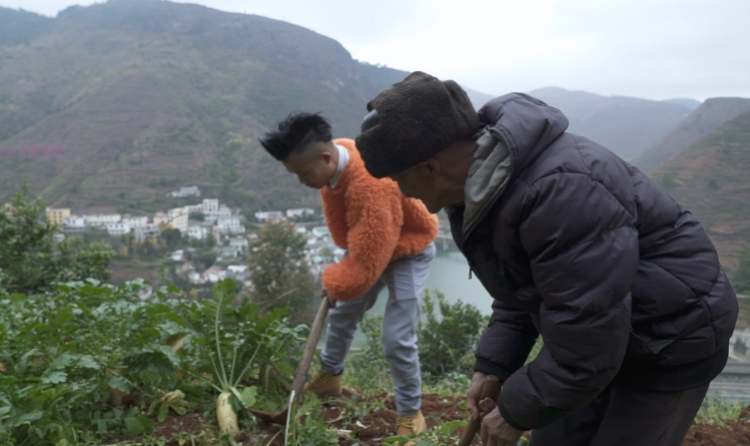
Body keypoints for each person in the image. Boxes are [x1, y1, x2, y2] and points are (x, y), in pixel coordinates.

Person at [355, 71, 739, 446]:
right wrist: (494, 364)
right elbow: (521, 288)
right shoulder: (482, 188)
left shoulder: (561, 192)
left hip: (670, 337)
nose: (402, 193)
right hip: (598, 339)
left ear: (430, 169)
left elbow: (590, 332)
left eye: (397, 180)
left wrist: (514, 412)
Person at [259, 112, 439, 441]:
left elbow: (369, 263)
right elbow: (359, 244)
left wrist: (336, 281)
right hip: (372, 243)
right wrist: (341, 285)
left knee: (397, 338)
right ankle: (329, 378)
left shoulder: (371, 186)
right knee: (342, 313)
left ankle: (411, 412)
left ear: (326, 157)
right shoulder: (337, 164)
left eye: (303, 173)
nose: (302, 181)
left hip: (408, 250)